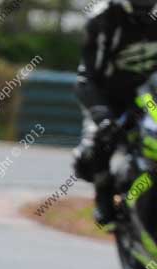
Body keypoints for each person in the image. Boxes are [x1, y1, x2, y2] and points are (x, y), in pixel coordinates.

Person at [73, 0, 157, 227]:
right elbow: (86, 80)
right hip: (107, 97)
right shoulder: (103, 18)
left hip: (147, 94)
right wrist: (103, 118)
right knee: (91, 155)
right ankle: (104, 200)